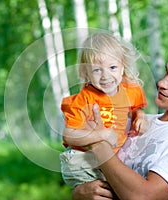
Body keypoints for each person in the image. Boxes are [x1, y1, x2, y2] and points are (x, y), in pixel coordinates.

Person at [72, 39, 168, 199]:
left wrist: (99, 143)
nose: (162, 83)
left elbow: (145, 197)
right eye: (166, 73)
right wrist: (79, 194)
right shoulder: (133, 122)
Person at [60, 33, 148, 188]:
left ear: (122, 68)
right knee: (107, 191)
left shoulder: (131, 91)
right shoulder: (85, 99)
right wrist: (101, 135)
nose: (105, 76)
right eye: (96, 70)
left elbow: (136, 108)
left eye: (112, 67)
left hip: (107, 158)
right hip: (81, 158)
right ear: (87, 73)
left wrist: (140, 116)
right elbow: (69, 135)